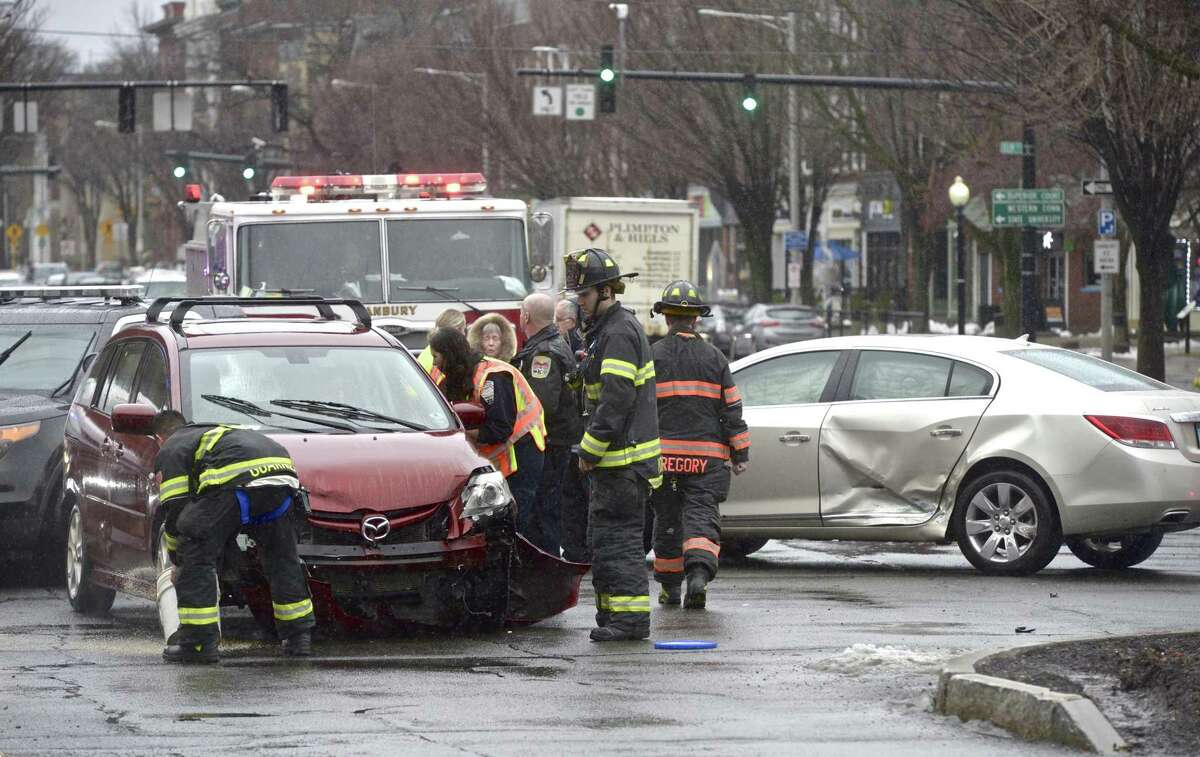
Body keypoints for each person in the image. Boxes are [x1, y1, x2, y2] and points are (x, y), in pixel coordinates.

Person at [153, 410, 314, 663]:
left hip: (238, 482)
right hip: (281, 478)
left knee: (194, 546)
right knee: (282, 557)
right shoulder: (217, 433)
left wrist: (177, 557)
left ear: (159, 439)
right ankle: (298, 636)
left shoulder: (172, 447)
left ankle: (197, 643)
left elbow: (176, 508)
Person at [564, 249, 661, 642]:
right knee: (603, 541)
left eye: (584, 295)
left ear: (606, 291)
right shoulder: (605, 329)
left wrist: (589, 449)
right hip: (615, 465)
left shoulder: (619, 331)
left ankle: (630, 621)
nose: (579, 302)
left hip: (622, 463)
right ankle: (613, 616)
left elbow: (616, 399)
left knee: (617, 542)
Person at [649, 280, 750, 610]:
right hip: (706, 459)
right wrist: (740, 453)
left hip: (662, 459)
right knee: (701, 518)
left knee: (666, 520)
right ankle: (698, 578)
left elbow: (641, 410)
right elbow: (732, 410)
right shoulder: (715, 358)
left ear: (666, 318)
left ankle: (669, 589)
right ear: (696, 319)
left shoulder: (652, 357)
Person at [428, 327, 546, 518]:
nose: (434, 362)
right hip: (499, 455)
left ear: (449, 355)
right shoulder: (454, 375)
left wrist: (462, 436)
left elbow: (499, 429)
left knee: (515, 521)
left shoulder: (493, 378)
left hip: (522, 449)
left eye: (436, 356)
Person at [513, 293, 583, 555]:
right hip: (553, 442)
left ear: (526, 316)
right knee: (546, 508)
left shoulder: (543, 354)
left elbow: (540, 405)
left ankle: (546, 570)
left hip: (548, 443)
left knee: (542, 510)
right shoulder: (550, 344)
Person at [554, 297, 589, 562]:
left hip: (582, 439)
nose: (555, 325)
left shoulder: (580, 348)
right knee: (572, 498)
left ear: (571, 322)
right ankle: (576, 549)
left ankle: (580, 549)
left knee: (579, 498)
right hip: (575, 438)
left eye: (558, 320)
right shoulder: (566, 346)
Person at [418, 309, 467, 379]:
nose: (464, 334)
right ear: (456, 331)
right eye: (463, 330)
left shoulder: (430, 351)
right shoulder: (441, 360)